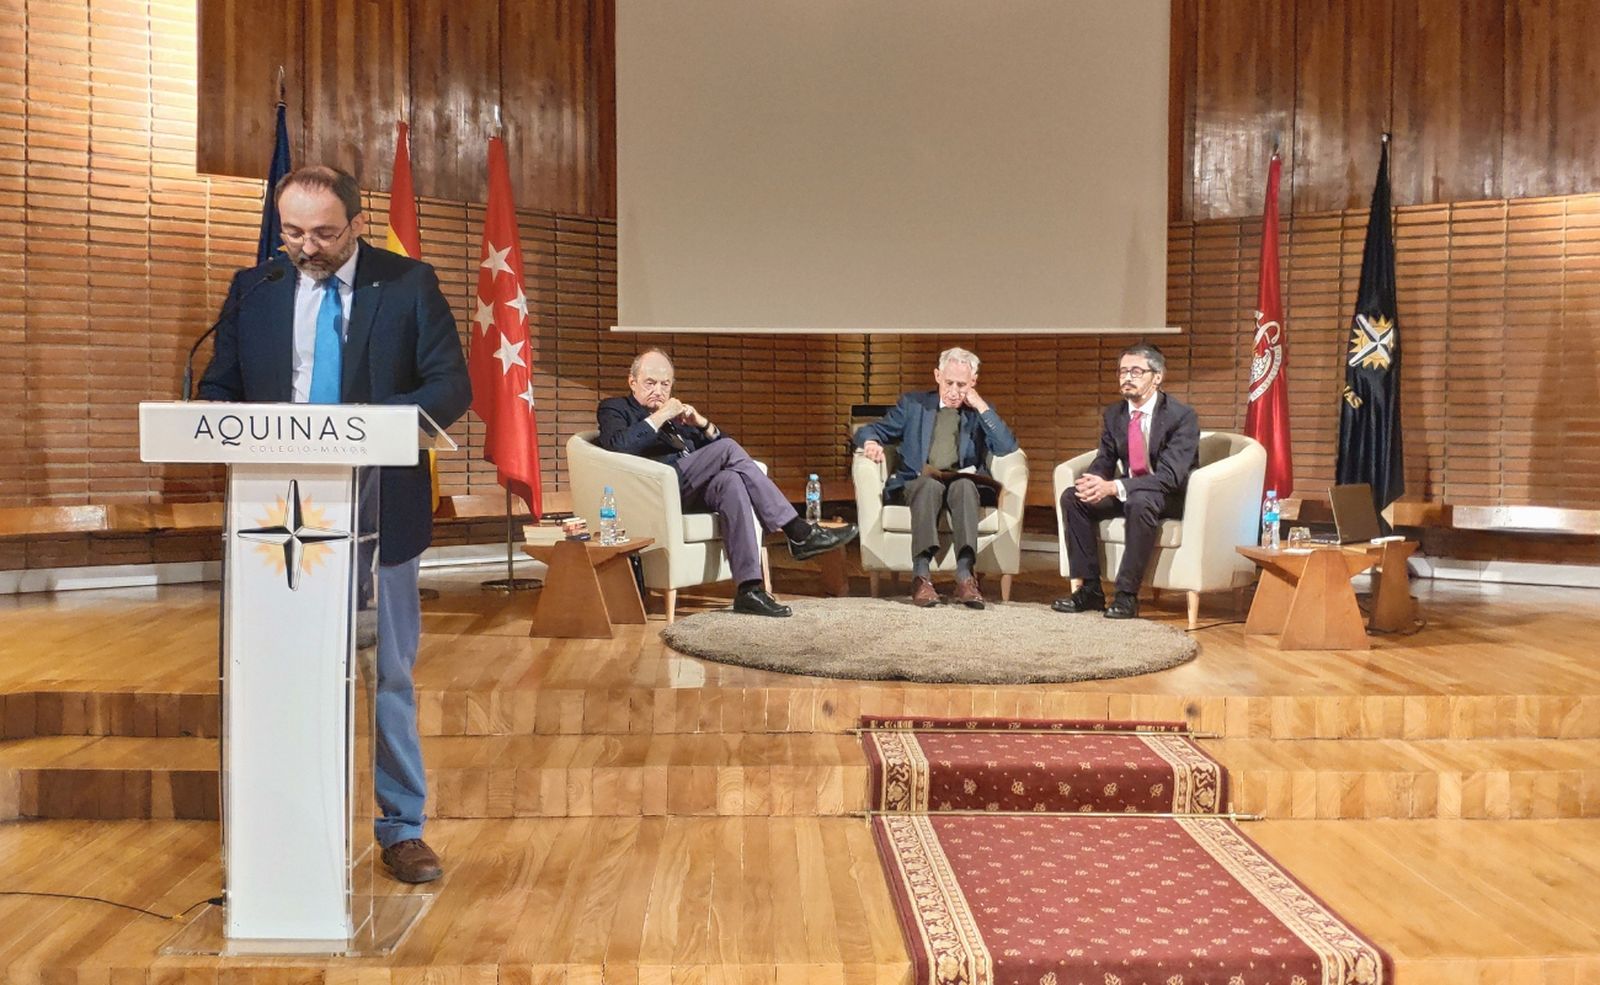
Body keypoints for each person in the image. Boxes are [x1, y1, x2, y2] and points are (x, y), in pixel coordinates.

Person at [199, 165, 471, 884]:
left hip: (383, 505)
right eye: (291, 231)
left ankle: (402, 826)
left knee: (388, 671)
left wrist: (363, 430)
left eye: (322, 232)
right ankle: (289, 815)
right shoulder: (253, 290)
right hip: (278, 516)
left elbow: (450, 385)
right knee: (280, 668)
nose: (305, 247)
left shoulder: (408, 284)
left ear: (355, 221)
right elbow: (219, 388)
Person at [597, 348, 856, 617]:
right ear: (633, 382)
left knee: (731, 481)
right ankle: (798, 531)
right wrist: (660, 416)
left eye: (665, 384)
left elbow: (734, 457)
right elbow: (618, 446)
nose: (659, 391)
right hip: (655, 489)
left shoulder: (679, 421)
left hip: (690, 488)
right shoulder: (615, 408)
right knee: (728, 450)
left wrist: (701, 423)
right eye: (650, 383)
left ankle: (749, 590)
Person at [852, 347, 1018, 608]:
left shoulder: (978, 412)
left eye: (961, 385)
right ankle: (921, 577)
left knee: (964, 486)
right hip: (919, 482)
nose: (953, 391)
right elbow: (872, 429)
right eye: (949, 382)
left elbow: (1007, 446)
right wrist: (871, 441)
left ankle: (965, 577)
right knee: (929, 486)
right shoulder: (914, 405)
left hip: (961, 482)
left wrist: (980, 405)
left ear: (973, 382)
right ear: (937, 376)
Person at [1054, 343, 1198, 620]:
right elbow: (1105, 458)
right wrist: (1094, 481)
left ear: (1157, 377)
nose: (1127, 378)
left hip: (1166, 495)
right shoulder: (1115, 414)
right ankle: (1090, 590)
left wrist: (1114, 487)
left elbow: (1169, 477)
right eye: (1122, 372)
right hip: (1129, 491)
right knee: (1073, 498)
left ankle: (1126, 595)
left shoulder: (1181, 417)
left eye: (1136, 371)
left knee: (1141, 500)